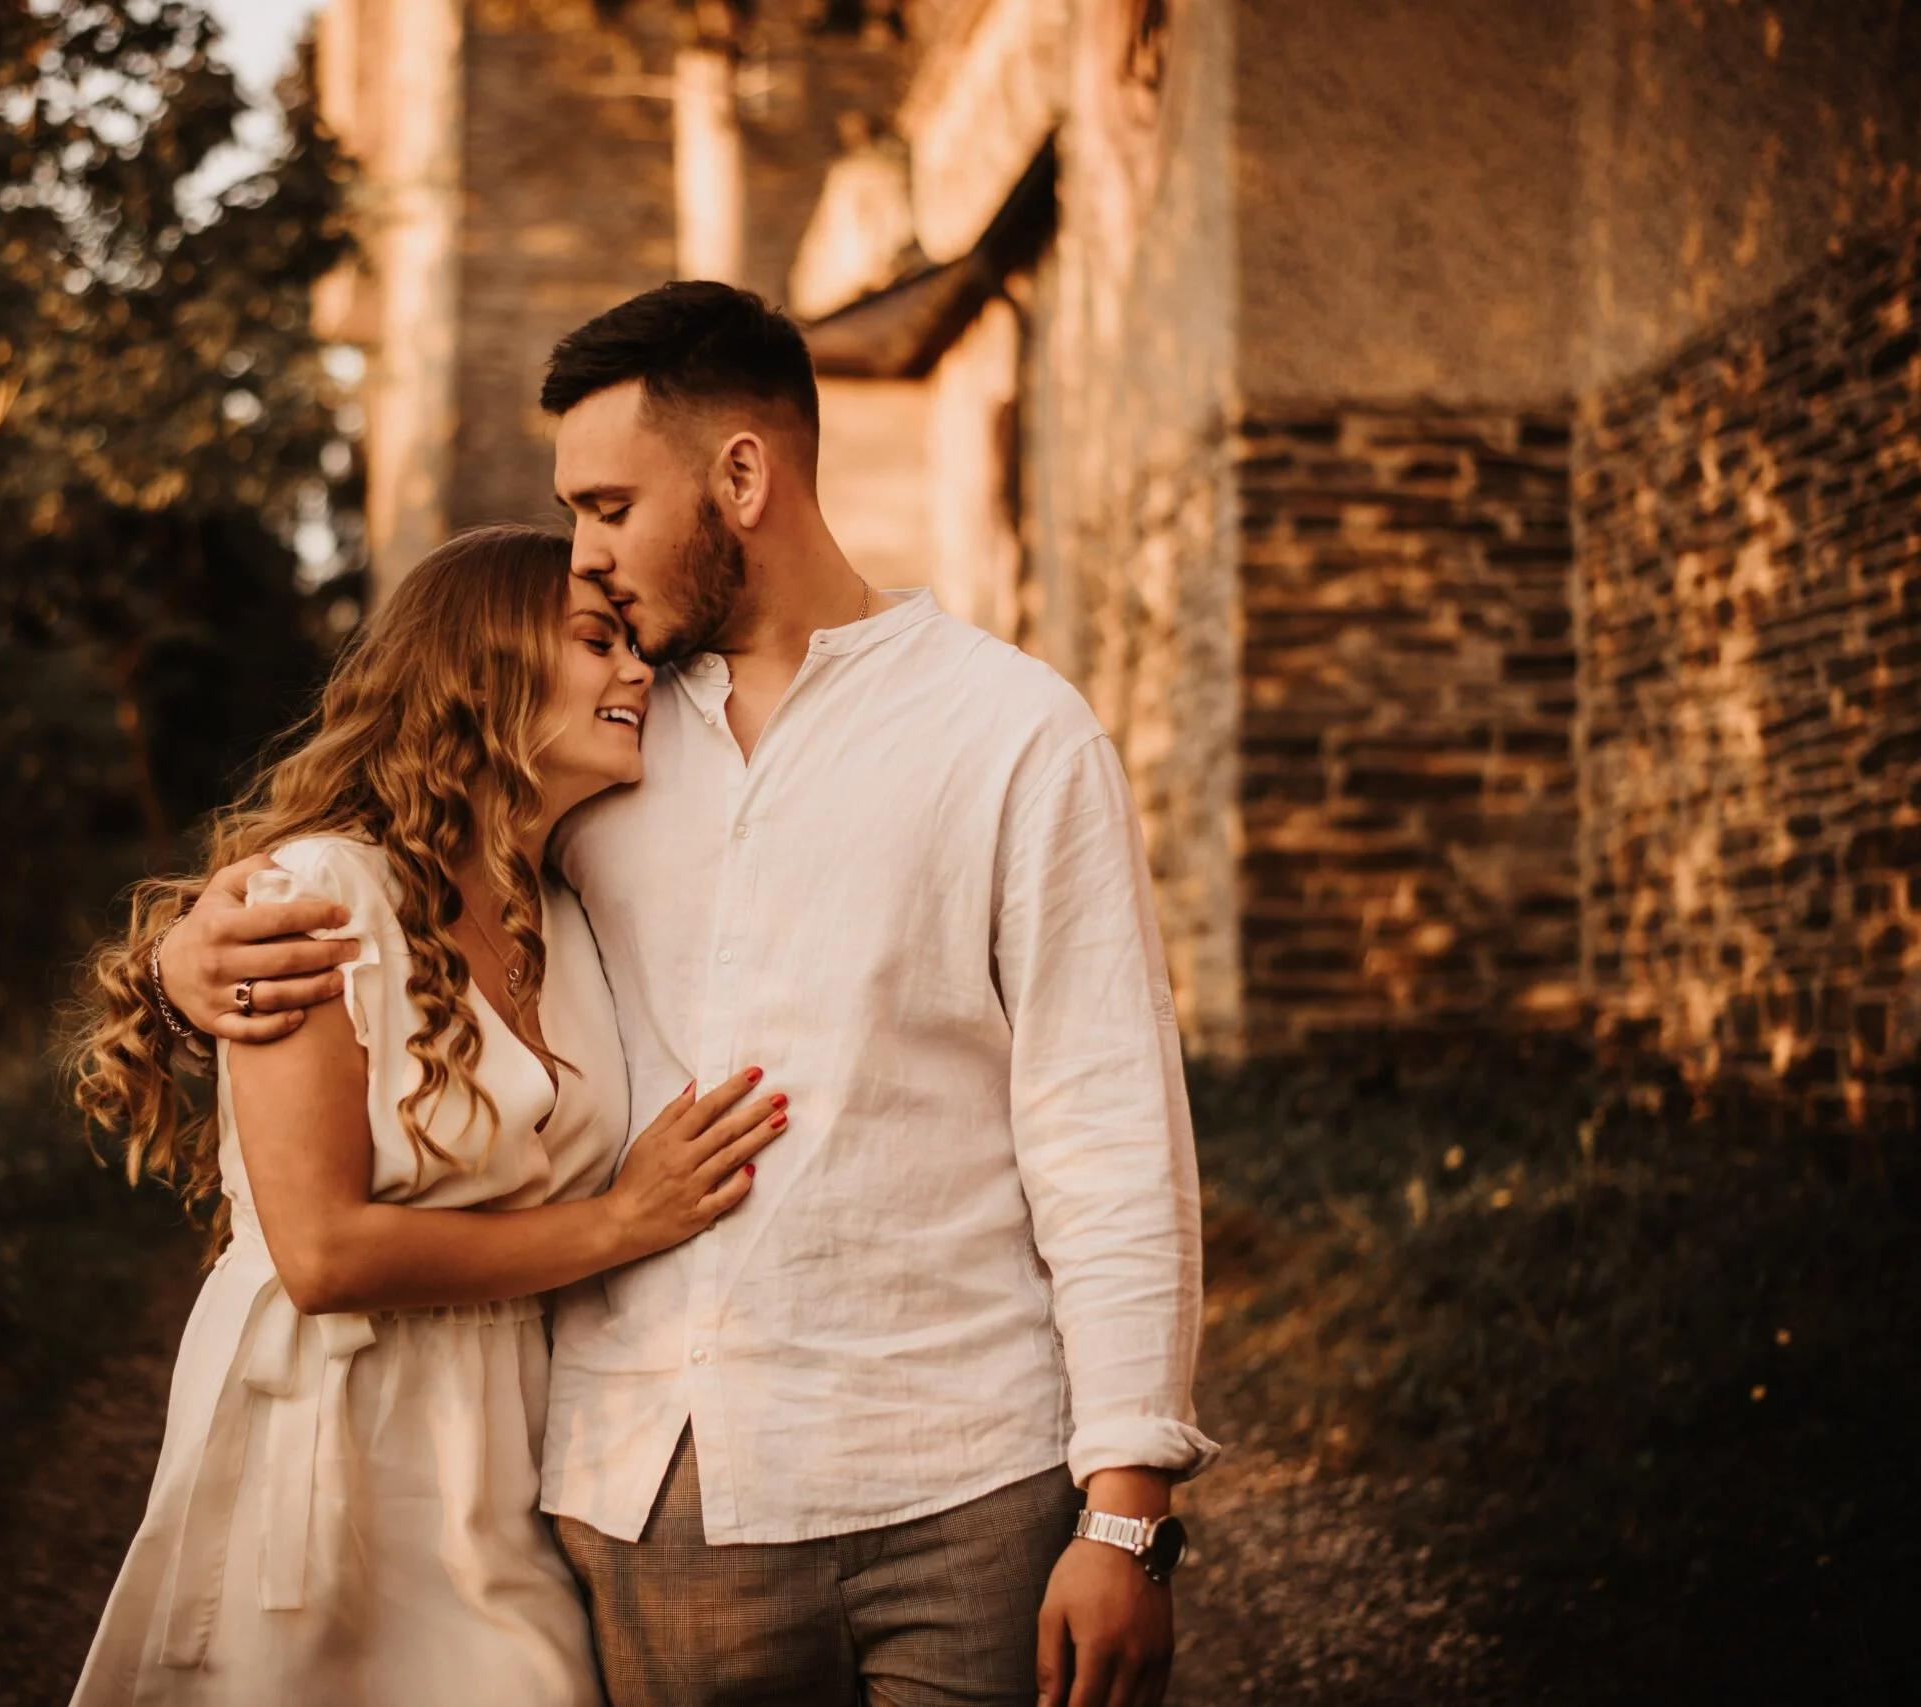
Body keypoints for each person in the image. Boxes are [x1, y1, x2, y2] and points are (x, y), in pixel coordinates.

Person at [166, 283, 1219, 1707]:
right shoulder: (602, 730)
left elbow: (1108, 1130)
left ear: (740, 474)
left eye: (606, 505)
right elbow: (395, 849)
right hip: (657, 1487)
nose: (586, 557)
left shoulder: (1012, 732)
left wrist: (1126, 1510)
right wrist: (194, 947)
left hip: (969, 1475)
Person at [65, 524, 790, 1707]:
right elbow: (324, 1251)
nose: (636, 672)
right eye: (595, 641)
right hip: (338, 1435)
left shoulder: (563, 909)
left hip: (513, 1430)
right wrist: (621, 1222)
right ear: (480, 665)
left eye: (635, 645)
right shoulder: (320, 897)